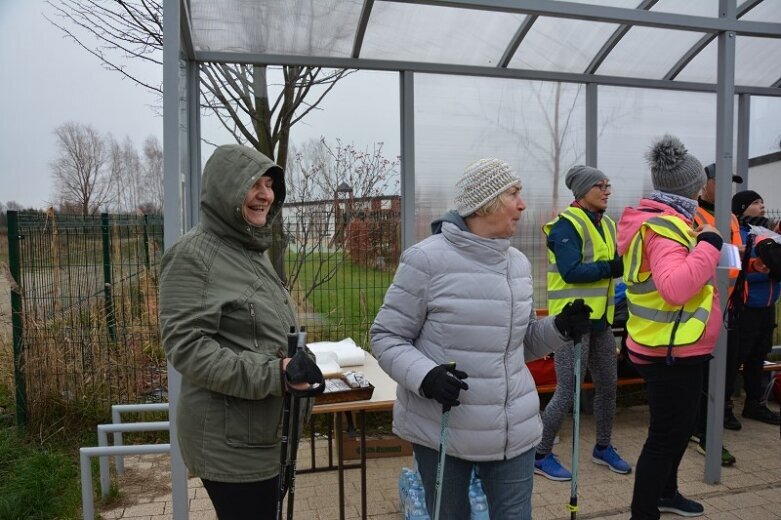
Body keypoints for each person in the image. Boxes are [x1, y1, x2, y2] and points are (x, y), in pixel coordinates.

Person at [370, 158, 592, 520]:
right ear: (485, 202)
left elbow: (517, 345)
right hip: (445, 427)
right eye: (514, 194)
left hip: (513, 428)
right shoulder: (426, 260)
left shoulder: (517, 263)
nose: (523, 204)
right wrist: (426, 376)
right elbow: (385, 336)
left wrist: (560, 328)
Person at [159, 145, 323, 520]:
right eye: (254, 184)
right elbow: (188, 348)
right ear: (225, 189)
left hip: (261, 432)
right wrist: (275, 373)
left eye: (270, 185)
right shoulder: (194, 256)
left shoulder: (247, 249)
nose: (266, 194)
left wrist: (297, 360)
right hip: (231, 443)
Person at [617, 135, 723, 519]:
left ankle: (667, 492)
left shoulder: (665, 220)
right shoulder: (664, 228)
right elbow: (675, 288)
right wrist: (710, 245)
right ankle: (645, 511)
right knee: (665, 438)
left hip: (669, 346)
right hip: (670, 352)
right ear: (692, 187)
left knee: (676, 432)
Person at [534, 165, 631, 481]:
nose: (607, 191)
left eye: (608, 184)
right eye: (600, 186)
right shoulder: (564, 227)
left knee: (608, 386)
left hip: (600, 321)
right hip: (570, 326)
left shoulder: (609, 225)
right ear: (583, 191)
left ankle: (603, 447)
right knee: (567, 391)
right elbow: (571, 272)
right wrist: (612, 268)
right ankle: (540, 453)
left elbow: (611, 267)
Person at [690, 162, 743, 467]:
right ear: (705, 184)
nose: (727, 188)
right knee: (703, 374)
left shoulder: (732, 217)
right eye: (720, 181)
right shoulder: (695, 215)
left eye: (731, 182)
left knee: (720, 373)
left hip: (729, 306)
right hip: (703, 307)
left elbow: (737, 258)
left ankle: (702, 429)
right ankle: (702, 435)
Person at [729, 189, 781, 426]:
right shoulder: (737, 235)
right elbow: (735, 273)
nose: (762, 205)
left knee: (758, 357)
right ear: (741, 209)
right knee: (735, 358)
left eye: (762, 201)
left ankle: (755, 404)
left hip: (767, 306)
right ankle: (724, 407)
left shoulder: (769, 234)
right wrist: (766, 270)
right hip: (745, 307)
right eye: (755, 202)